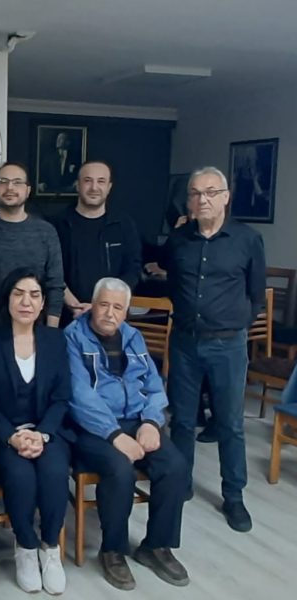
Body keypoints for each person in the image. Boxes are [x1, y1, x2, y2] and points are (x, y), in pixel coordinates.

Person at [65, 278, 190, 590]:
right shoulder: (72, 337)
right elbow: (78, 396)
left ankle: (156, 546)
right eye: (104, 305)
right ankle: (113, 550)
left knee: (175, 466)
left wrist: (151, 421)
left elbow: (154, 385)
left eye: (118, 307)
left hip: (136, 420)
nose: (110, 313)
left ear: (126, 312)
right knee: (120, 470)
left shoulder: (133, 337)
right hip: (91, 427)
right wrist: (114, 435)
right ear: (93, 305)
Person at [163, 166, 266, 532]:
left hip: (228, 345)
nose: (202, 199)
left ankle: (233, 496)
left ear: (225, 197)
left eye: (210, 192)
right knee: (182, 419)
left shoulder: (247, 239)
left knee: (230, 423)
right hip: (184, 342)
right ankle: (181, 482)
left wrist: (233, 324)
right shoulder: (178, 240)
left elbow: (256, 294)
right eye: (195, 193)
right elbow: (173, 283)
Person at [0, 269, 72, 595]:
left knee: (54, 471)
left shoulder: (55, 340)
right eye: (18, 294)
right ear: (7, 300)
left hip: (46, 432)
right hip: (3, 435)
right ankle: (26, 547)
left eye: (34, 295)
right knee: (20, 475)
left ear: (43, 303)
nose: (26, 302)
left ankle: (50, 547)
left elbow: (61, 398)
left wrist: (42, 434)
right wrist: (12, 436)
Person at [0, 162, 65, 329]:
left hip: (34, 330)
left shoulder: (46, 232)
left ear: (28, 190)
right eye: (3, 181)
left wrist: (51, 332)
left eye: (17, 182)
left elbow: (55, 285)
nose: (10, 187)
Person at [48, 161, 141, 325]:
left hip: (110, 320)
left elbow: (132, 270)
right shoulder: (56, 225)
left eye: (101, 181)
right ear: (77, 185)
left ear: (109, 187)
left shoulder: (124, 225)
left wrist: (102, 306)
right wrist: (73, 305)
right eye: (88, 180)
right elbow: (50, 270)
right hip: (67, 318)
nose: (94, 187)